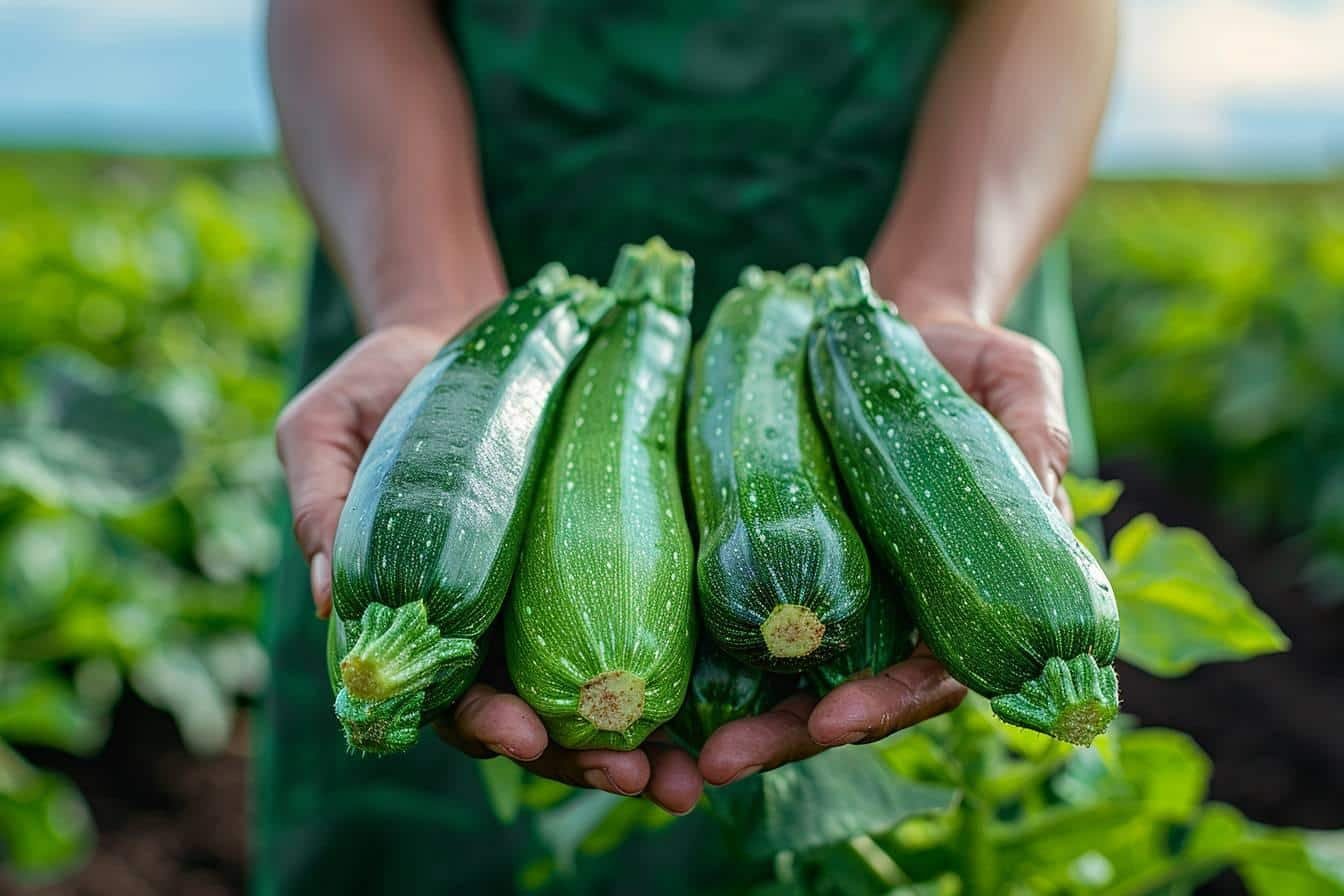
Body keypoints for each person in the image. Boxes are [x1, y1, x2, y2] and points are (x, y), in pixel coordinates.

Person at [259, 1, 1116, 893]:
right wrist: (432, 312)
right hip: (452, 247)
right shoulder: (423, 564)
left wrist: (935, 302)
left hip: (923, 220)